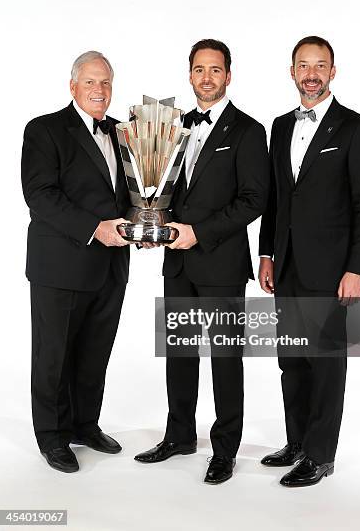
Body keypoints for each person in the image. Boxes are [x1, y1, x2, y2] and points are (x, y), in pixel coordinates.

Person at [134, 39, 269, 484]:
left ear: (228, 76)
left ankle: (226, 448)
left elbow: (254, 199)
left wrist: (199, 233)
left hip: (221, 262)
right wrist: (158, 226)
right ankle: (179, 435)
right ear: (189, 75)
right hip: (177, 262)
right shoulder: (172, 127)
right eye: (199, 69)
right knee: (180, 352)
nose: (206, 77)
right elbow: (160, 188)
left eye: (215, 70)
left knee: (226, 358)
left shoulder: (248, 130)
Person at [258, 36, 360, 487]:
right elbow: (275, 199)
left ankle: (321, 455)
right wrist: (267, 252)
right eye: (303, 65)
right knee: (291, 360)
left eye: (320, 65)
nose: (311, 73)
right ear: (292, 72)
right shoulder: (280, 126)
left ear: (333, 72)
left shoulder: (356, 128)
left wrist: (358, 268)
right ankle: (297, 442)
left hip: (333, 270)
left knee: (326, 363)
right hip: (286, 265)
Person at [21, 51, 131, 473]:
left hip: (111, 265)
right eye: (90, 82)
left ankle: (84, 424)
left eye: (105, 82)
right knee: (53, 355)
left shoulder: (123, 132)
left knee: (93, 352)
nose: (99, 90)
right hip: (61, 264)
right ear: (73, 86)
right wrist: (95, 227)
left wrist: (140, 226)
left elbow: (135, 192)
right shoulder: (45, 129)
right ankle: (51, 436)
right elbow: (41, 196)